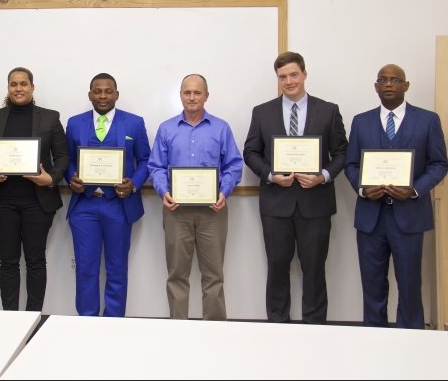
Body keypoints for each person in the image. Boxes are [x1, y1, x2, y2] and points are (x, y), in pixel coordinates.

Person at [243, 51, 348, 324]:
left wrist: (323, 175)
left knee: (314, 270)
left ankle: (315, 327)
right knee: (277, 269)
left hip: (316, 203)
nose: (289, 81)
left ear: (304, 74)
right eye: (282, 77)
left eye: (293, 75)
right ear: (277, 79)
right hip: (276, 203)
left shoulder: (329, 110)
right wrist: (270, 175)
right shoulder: (262, 112)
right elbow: (251, 152)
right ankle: (278, 325)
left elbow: (342, 153)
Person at [344, 64, 448, 329]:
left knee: (410, 286)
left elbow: (439, 164)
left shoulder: (427, 120)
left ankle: (411, 345)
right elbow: (351, 165)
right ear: (376, 86)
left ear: (406, 85)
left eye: (394, 80)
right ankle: (374, 344)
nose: (388, 84)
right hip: (371, 218)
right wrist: (362, 189)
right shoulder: (361, 120)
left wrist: (414, 189)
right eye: (382, 80)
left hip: (410, 217)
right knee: (372, 287)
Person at [148, 74, 242, 321]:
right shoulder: (166, 129)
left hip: (213, 211)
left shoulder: (221, 128)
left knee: (214, 277)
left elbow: (234, 165)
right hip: (176, 211)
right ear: (180, 95)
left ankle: (214, 334)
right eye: (187, 92)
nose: (192, 97)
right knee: (177, 275)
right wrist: (163, 191)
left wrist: (224, 191)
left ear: (206, 96)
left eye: (197, 93)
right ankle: (179, 333)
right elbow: (156, 166)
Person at [0, 67, 69, 312]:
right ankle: (10, 319)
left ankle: (33, 317)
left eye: (24, 84)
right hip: (3, 201)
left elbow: (62, 157)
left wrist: (51, 179)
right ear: (8, 88)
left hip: (38, 202)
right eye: (14, 84)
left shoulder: (49, 117)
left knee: (35, 261)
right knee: (7, 262)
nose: (19, 89)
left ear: (32, 87)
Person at [65, 73, 151, 317]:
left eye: (108, 91)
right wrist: (71, 177)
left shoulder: (134, 123)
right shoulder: (74, 123)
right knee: (85, 269)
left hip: (119, 205)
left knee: (117, 269)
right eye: (97, 91)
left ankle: (114, 324)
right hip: (85, 205)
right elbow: (69, 160)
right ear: (90, 94)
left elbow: (145, 159)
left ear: (116, 94)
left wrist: (133, 183)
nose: (103, 96)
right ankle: (87, 321)